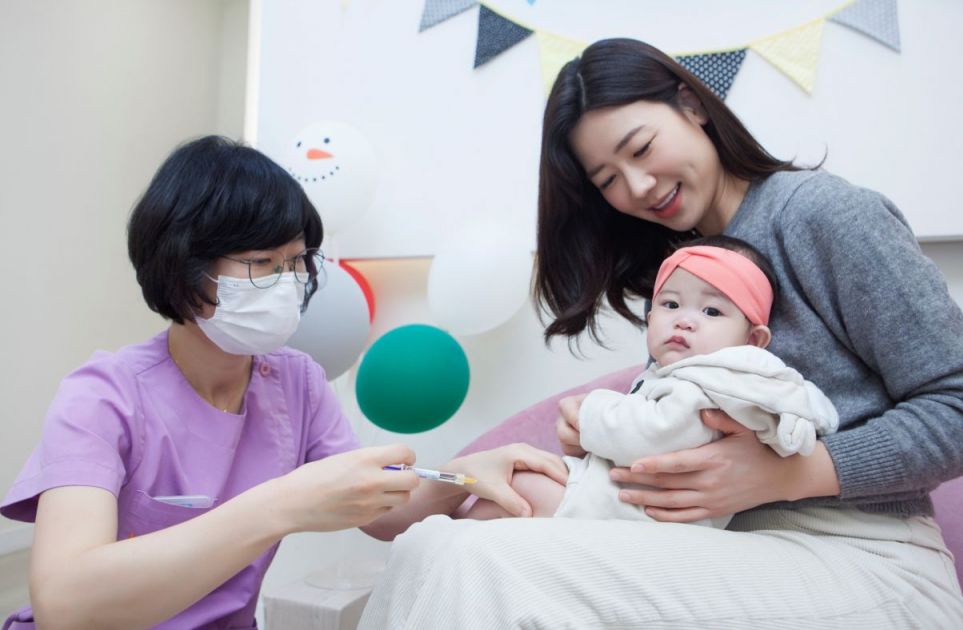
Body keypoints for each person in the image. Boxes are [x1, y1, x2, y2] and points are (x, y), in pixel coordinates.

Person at [356, 38, 963, 628]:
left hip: (866, 562)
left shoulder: (824, 215)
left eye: (642, 148)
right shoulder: (685, 275)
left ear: (692, 104)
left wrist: (788, 472)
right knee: (436, 545)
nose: (639, 186)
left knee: (480, 566)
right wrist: (603, 437)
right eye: (608, 179)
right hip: (723, 548)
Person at [0, 136, 564, 630]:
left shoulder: (295, 382)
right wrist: (282, 505)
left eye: (296, 262)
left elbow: (379, 508)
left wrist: (464, 476)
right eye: (262, 262)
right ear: (182, 267)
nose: (288, 283)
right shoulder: (103, 396)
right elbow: (65, 604)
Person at [465, 237, 838, 527]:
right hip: (624, 495)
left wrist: (593, 414)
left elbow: (660, 433)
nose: (684, 320)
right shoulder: (682, 373)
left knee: (517, 491)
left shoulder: (717, 381)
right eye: (670, 304)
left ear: (752, 340)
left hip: (646, 513)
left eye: (711, 311)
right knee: (502, 490)